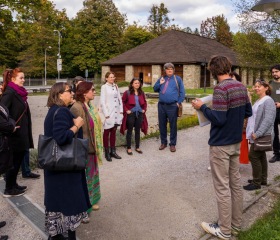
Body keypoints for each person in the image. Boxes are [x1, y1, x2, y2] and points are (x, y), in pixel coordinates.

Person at [192, 56, 252, 240]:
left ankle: (224, 230)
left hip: (221, 144)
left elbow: (219, 119)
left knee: (222, 187)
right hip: (235, 142)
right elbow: (248, 112)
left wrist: (202, 107)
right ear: (228, 67)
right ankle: (236, 224)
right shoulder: (240, 86)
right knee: (235, 184)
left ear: (213, 71)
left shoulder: (221, 88)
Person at [44, 82, 91, 240]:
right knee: (69, 203)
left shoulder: (53, 111)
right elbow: (61, 137)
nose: (71, 93)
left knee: (56, 203)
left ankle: (56, 235)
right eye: (68, 91)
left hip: (56, 166)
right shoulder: (62, 111)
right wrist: (76, 126)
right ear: (59, 95)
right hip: (65, 167)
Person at [70, 82, 103, 215]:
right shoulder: (77, 108)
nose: (94, 92)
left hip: (91, 146)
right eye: (92, 90)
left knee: (92, 174)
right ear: (84, 92)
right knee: (85, 177)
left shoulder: (89, 106)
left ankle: (92, 200)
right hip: (84, 148)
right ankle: (84, 206)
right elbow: (77, 131)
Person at [1, 68, 33, 197]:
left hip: (21, 134)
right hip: (14, 135)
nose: (24, 80)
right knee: (13, 162)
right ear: (13, 79)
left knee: (18, 160)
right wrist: (10, 126)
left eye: (24, 77)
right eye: (21, 78)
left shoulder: (19, 92)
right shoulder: (10, 93)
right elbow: (2, 112)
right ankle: (9, 188)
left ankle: (13, 184)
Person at [243, 80, 276, 191]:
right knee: (261, 156)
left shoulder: (268, 101)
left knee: (253, 155)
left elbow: (268, 120)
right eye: (255, 86)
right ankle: (262, 179)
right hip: (256, 133)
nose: (256, 88)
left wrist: (258, 133)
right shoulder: (259, 100)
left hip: (261, 134)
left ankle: (256, 182)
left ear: (266, 88)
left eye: (259, 86)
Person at [153, 62, 185, 152]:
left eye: (171, 69)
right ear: (165, 70)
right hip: (161, 105)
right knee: (162, 125)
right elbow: (155, 89)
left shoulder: (177, 79)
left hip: (172, 106)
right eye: (167, 69)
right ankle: (163, 142)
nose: (169, 70)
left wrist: (179, 102)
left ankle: (173, 144)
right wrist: (160, 83)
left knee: (173, 126)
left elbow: (182, 92)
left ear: (173, 70)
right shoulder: (161, 78)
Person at [120, 78, 148, 155]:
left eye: (138, 83)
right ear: (132, 84)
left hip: (139, 113)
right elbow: (122, 102)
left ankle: (137, 147)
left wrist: (144, 109)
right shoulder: (127, 92)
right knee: (129, 131)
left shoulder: (141, 93)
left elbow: (145, 102)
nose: (137, 84)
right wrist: (126, 110)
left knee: (137, 131)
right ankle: (129, 148)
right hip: (131, 114)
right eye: (135, 83)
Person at [100, 71, 123, 161]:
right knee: (106, 132)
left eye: (113, 77)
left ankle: (113, 151)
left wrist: (121, 111)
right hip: (109, 113)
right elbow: (102, 101)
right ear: (106, 78)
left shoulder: (116, 86)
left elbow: (119, 99)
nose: (112, 79)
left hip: (116, 113)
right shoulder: (104, 87)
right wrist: (106, 114)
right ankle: (106, 153)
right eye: (110, 77)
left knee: (113, 131)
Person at [268, 64, 280, 163]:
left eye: (276, 71)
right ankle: (277, 154)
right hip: (273, 111)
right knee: (275, 133)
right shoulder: (270, 84)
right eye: (273, 72)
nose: (274, 73)